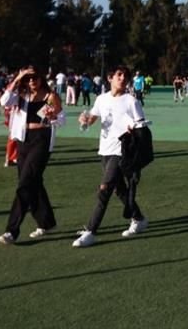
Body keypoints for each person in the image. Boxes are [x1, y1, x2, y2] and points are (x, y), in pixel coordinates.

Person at [73, 65, 149, 248]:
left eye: (125, 76)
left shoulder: (131, 101)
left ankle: (91, 231)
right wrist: (85, 120)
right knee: (119, 189)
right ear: (110, 78)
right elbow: (93, 118)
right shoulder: (101, 99)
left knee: (105, 188)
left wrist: (134, 128)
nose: (122, 78)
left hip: (121, 150)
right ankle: (138, 218)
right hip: (105, 149)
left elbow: (142, 126)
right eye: (119, 75)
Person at [0, 67, 65, 244]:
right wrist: (17, 77)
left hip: (41, 139)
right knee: (33, 182)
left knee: (25, 183)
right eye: (28, 79)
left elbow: (62, 118)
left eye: (34, 78)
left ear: (41, 78)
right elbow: (5, 100)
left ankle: (11, 231)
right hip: (22, 140)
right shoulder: (21, 95)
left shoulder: (50, 96)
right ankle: (46, 222)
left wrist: (53, 116)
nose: (32, 81)